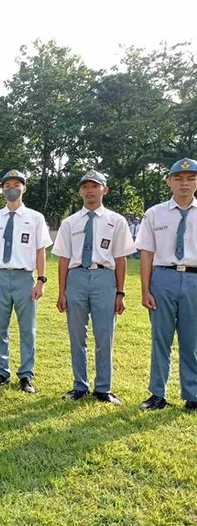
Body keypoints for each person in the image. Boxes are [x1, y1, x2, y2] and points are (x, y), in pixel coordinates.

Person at [52, 170, 135, 406]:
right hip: (76, 277)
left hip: (104, 278)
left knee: (104, 335)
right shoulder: (70, 223)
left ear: (104, 189)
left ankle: (103, 388)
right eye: (85, 186)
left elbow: (120, 259)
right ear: (80, 191)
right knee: (77, 334)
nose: (90, 190)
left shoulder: (116, 221)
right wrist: (62, 292)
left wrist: (120, 292)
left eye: (95, 186)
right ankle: (80, 385)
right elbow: (64, 259)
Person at [136, 157, 197, 412]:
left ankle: (192, 395)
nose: (185, 183)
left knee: (191, 341)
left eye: (191, 178)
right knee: (160, 339)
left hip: (194, 279)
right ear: (168, 181)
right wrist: (145, 289)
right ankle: (157, 394)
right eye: (179, 178)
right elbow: (147, 253)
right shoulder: (155, 213)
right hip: (163, 277)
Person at [0, 170, 53, 393]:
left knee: (27, 329)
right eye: (7, 185)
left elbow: (41, 251)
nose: (11, 188)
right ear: (2, 189)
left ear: (24, 188)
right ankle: (1, 372)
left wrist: (41, 280)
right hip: (0, 277)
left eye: (16, 184)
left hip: (25, 278)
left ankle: (26, 375)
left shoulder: (35, 218)